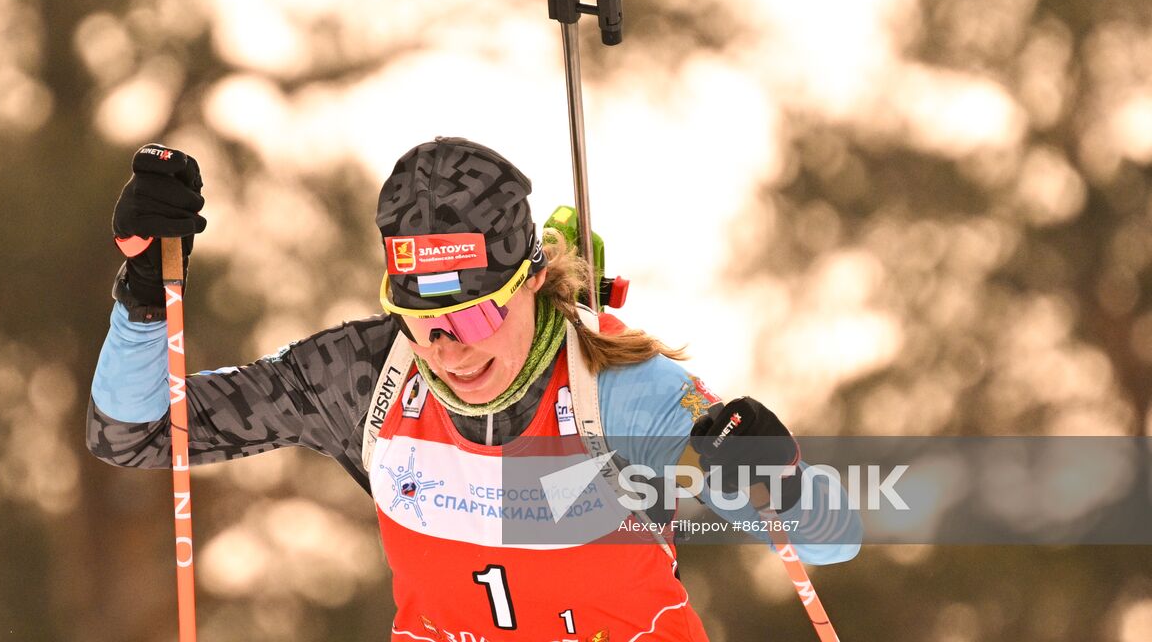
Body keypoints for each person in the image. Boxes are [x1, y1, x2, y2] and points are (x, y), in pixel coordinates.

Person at [88, 137, 860, 641]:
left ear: (533, 282)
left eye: (477, 311)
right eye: (422, 319)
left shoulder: (620, 393)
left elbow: (833, 540)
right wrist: (146, 297)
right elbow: (134, 434)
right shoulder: (363, 377)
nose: (449, 348)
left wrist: (778, 478)